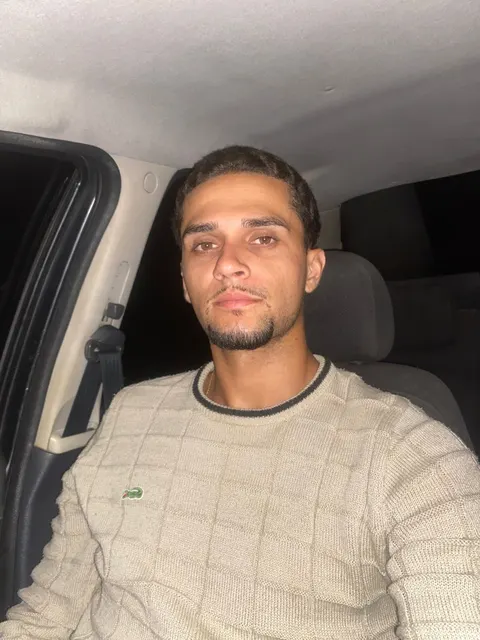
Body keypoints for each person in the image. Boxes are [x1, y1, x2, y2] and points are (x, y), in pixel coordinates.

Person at [1, 146, 479, 639]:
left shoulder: (411, 455)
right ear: (185, 282)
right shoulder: (129, 412)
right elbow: (47, 615)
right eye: (204, 244)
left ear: (312, 269)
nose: (228, 264)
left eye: (263, 238)